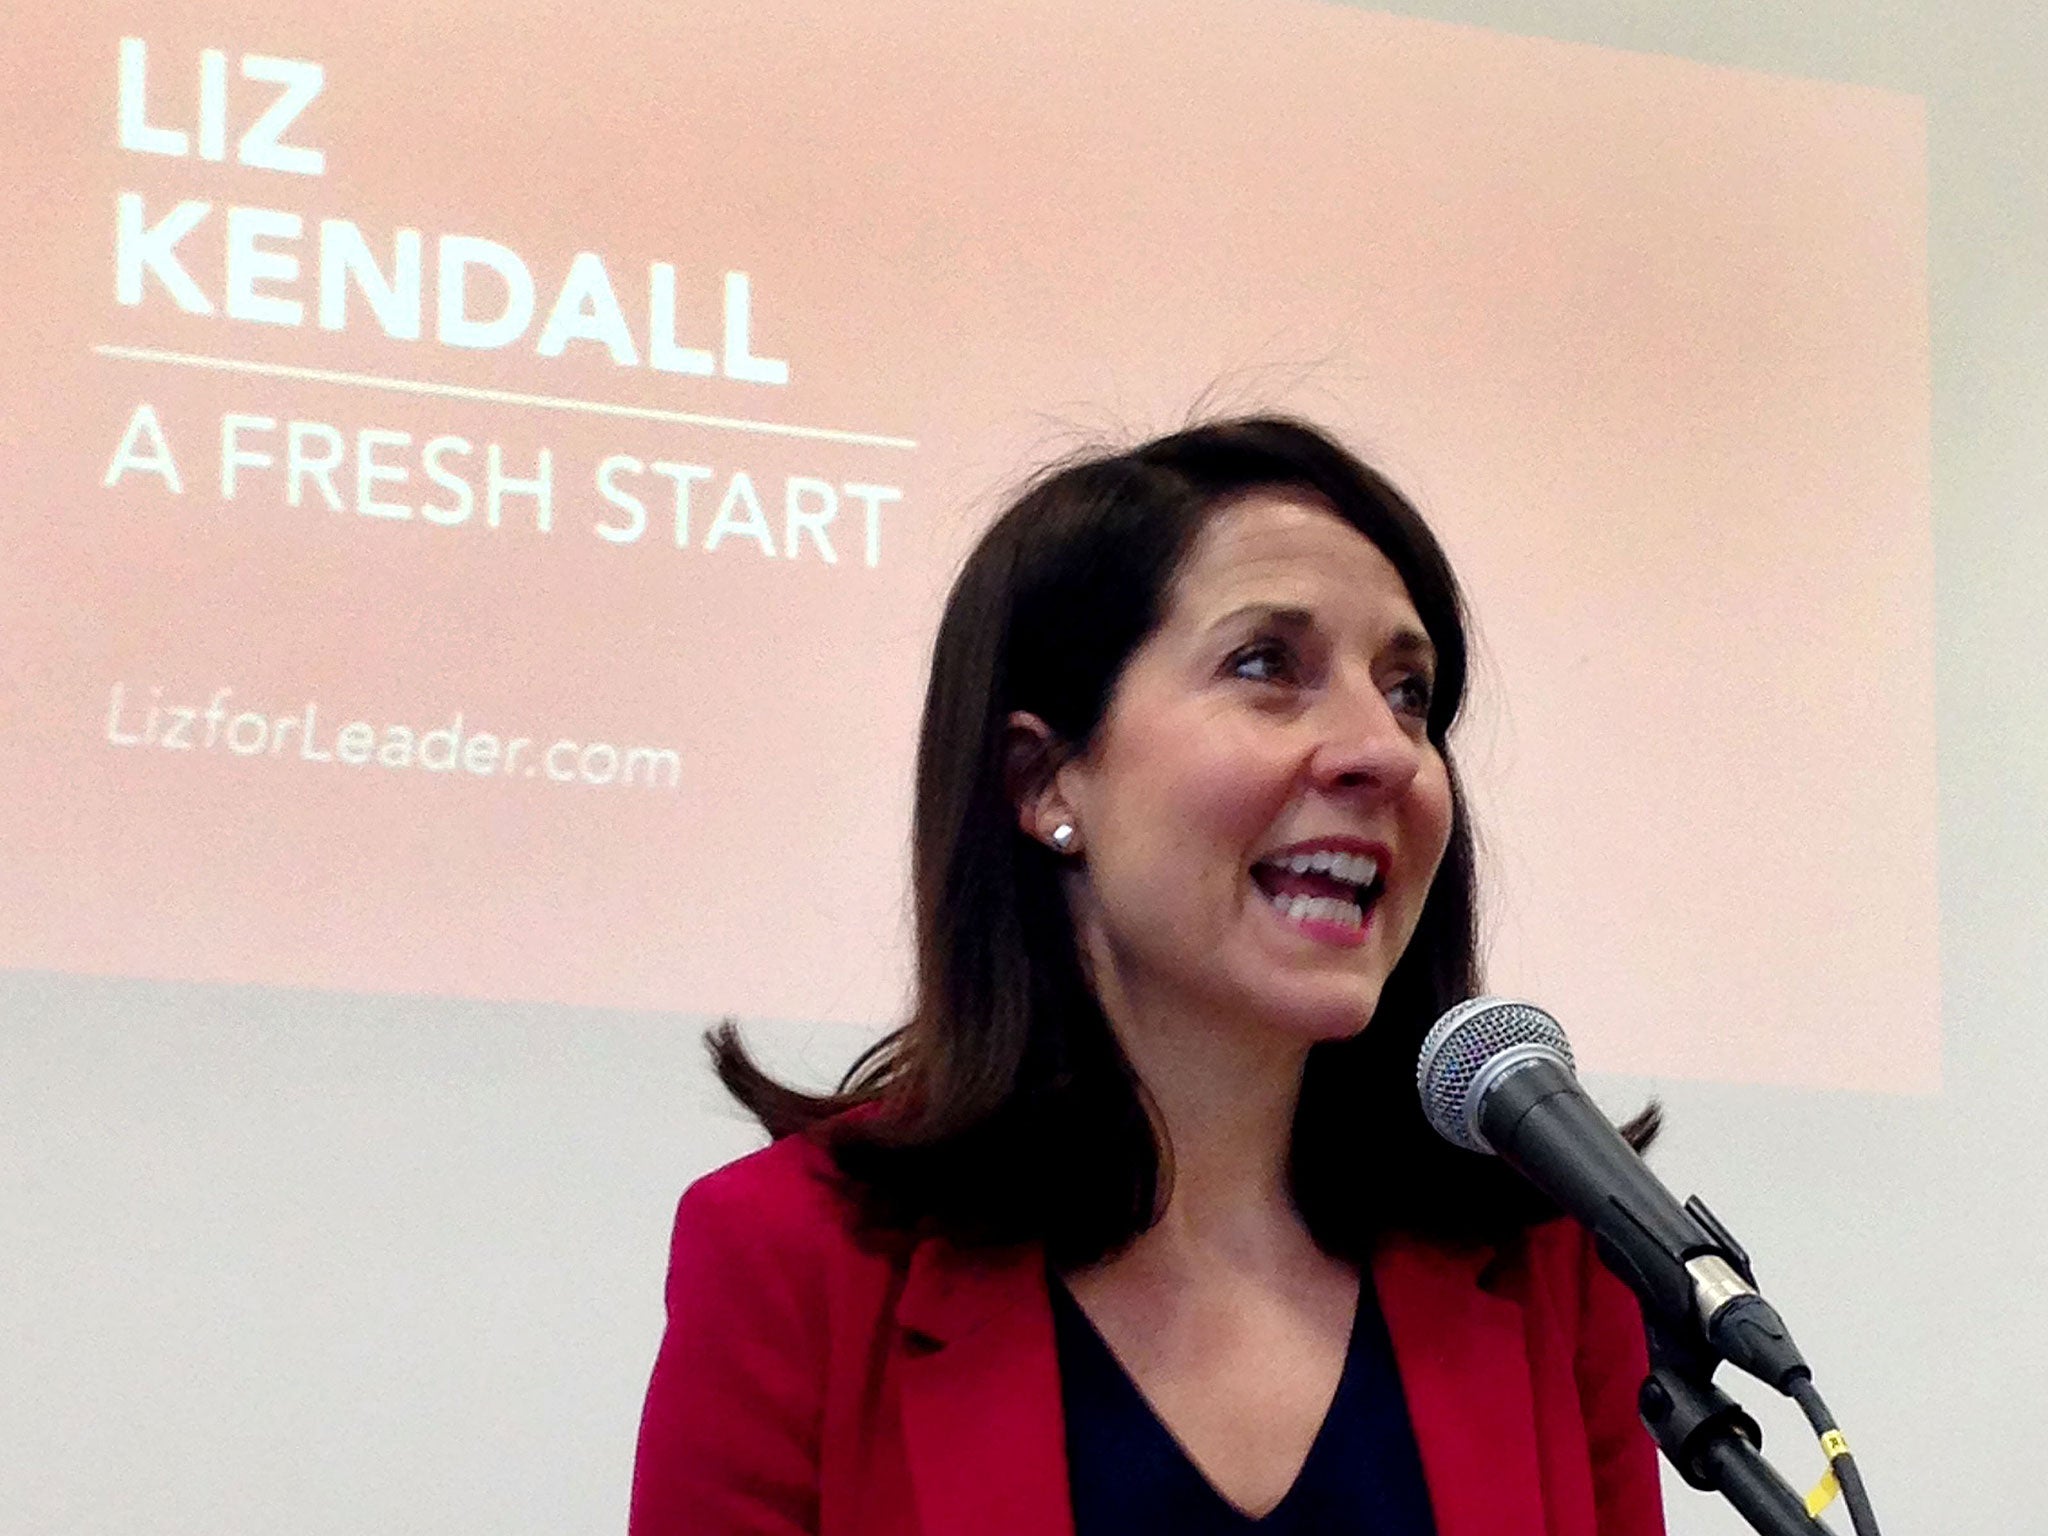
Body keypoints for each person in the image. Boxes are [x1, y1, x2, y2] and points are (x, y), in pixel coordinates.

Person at [629, 417, 1666, 1536]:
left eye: (1409, 691)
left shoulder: (1548, 1266)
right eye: (1267, 665)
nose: (1383, 750)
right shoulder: (795, 1260)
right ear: (1043, 780)